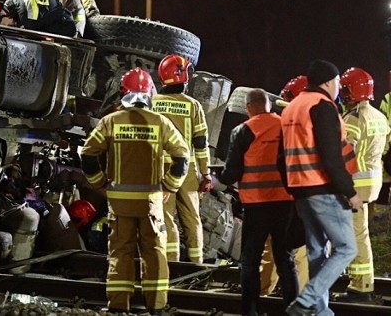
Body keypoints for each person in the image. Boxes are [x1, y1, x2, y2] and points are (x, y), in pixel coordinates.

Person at [80, 67, 190, 315]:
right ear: (150, 92)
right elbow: (182, 157)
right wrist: (169, 187)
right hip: (151, 203)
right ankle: (157, 307)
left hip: (119, 203)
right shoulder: (160, 122)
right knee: (155, 254)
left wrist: (100, 185)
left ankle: (119, 307)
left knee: (120, 253)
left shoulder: (111, 121)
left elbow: (88, 155)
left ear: (123, 93)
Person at [281, 59, 363, 316]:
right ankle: (307, 300)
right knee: (347, 248)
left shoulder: (292, 108)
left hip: (300, 189)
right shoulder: (322, 106)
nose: (339, 87)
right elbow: (331, 157)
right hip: (322, 188)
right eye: (338, 82)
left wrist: (292, 190)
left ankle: (320, 312)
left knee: (317, 252)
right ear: (329, 82)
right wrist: (350, 192)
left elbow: (279, 158)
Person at [218, 88, 298, 316]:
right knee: (286, 259)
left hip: (256, 206)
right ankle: (293, 309)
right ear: (269, 105)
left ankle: (250, 311)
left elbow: (231, 173)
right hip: (284, 203)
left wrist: (217, 180)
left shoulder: (243, 131)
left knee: (250, 261)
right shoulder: (285, 127)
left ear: (249, 108)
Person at [334, 67, 389, 303]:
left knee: (357, 234)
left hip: (356, 185)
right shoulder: (379, 116)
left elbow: (347, 152)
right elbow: (385, 147)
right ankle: (358, 280)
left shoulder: (354, 118)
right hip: (374, 183)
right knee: (360, 232)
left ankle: (361, 285)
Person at [151, 54, 211, 263]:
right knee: (192, 220)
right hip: (187, 172)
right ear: (183, 76)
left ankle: (171, 265)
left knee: (166, 219)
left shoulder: (152, 102)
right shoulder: (193, 105)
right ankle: (196, 266)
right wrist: (206, 173)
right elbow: (201, 143)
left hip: (160, 170)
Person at [261, 75, 309, 296]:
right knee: (302, 249)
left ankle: (264, 292)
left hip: (286, 198)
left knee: (276, 246)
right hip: (304, 199)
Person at [0, 0, 77, 38]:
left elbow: (28, 36)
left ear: (3, 12)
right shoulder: (16, 3)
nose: (1, 25)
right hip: (61, 21)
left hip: (64, 26)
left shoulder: (24, 14)